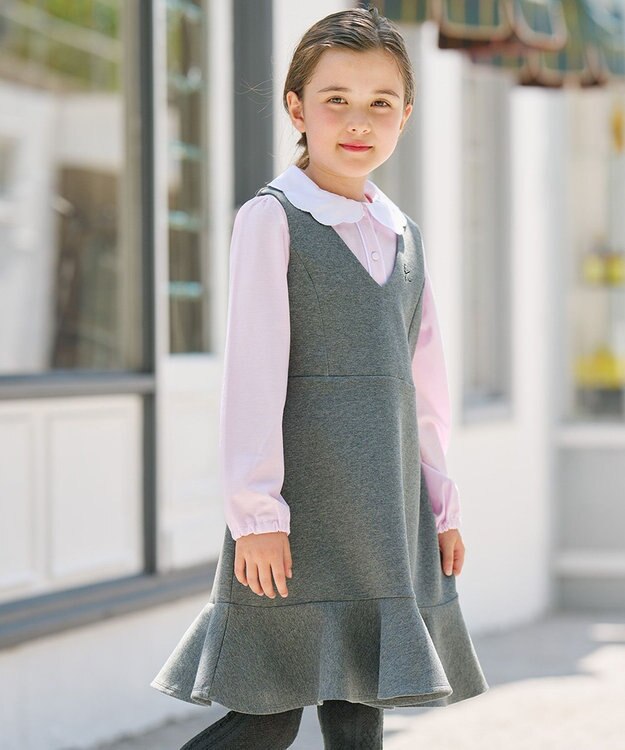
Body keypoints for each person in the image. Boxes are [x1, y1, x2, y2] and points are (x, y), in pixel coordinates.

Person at [150, 6, 489, 749]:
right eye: (336, 99)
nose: (359, 121)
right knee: (268, 718)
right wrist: (257, 517)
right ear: (298, 109)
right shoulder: (272, 219)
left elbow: (423, 391)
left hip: (386, 514)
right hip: (298, 515)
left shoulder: (403, 236)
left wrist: (442, 507)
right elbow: (252, 377)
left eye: (381, 102)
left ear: (405, 117)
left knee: (360, 711)